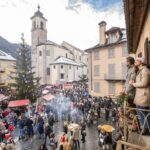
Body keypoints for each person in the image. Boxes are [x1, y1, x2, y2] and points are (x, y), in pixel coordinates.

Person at [130, 57, 150, 135]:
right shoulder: (141, 70)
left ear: (141, 62)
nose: (135, 62)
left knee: (143, 113)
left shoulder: (145, 70)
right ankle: (145, 129)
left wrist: (133, 84)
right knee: (142, 113)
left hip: (143, 95)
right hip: (141, 95)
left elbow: (144, 83)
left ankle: (146, 130)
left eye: (136, 61)